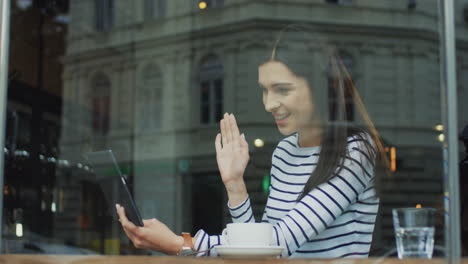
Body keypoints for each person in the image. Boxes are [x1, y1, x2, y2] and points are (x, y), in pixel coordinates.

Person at [116, 24, 388, 258]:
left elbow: (279, 243)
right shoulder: (284, 152)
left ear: (319, 84)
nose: (269, 104)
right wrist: (235, 184)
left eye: (282, 89)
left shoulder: (356, 152)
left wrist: (181, 245)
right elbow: (260, 249)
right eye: (264, 90)